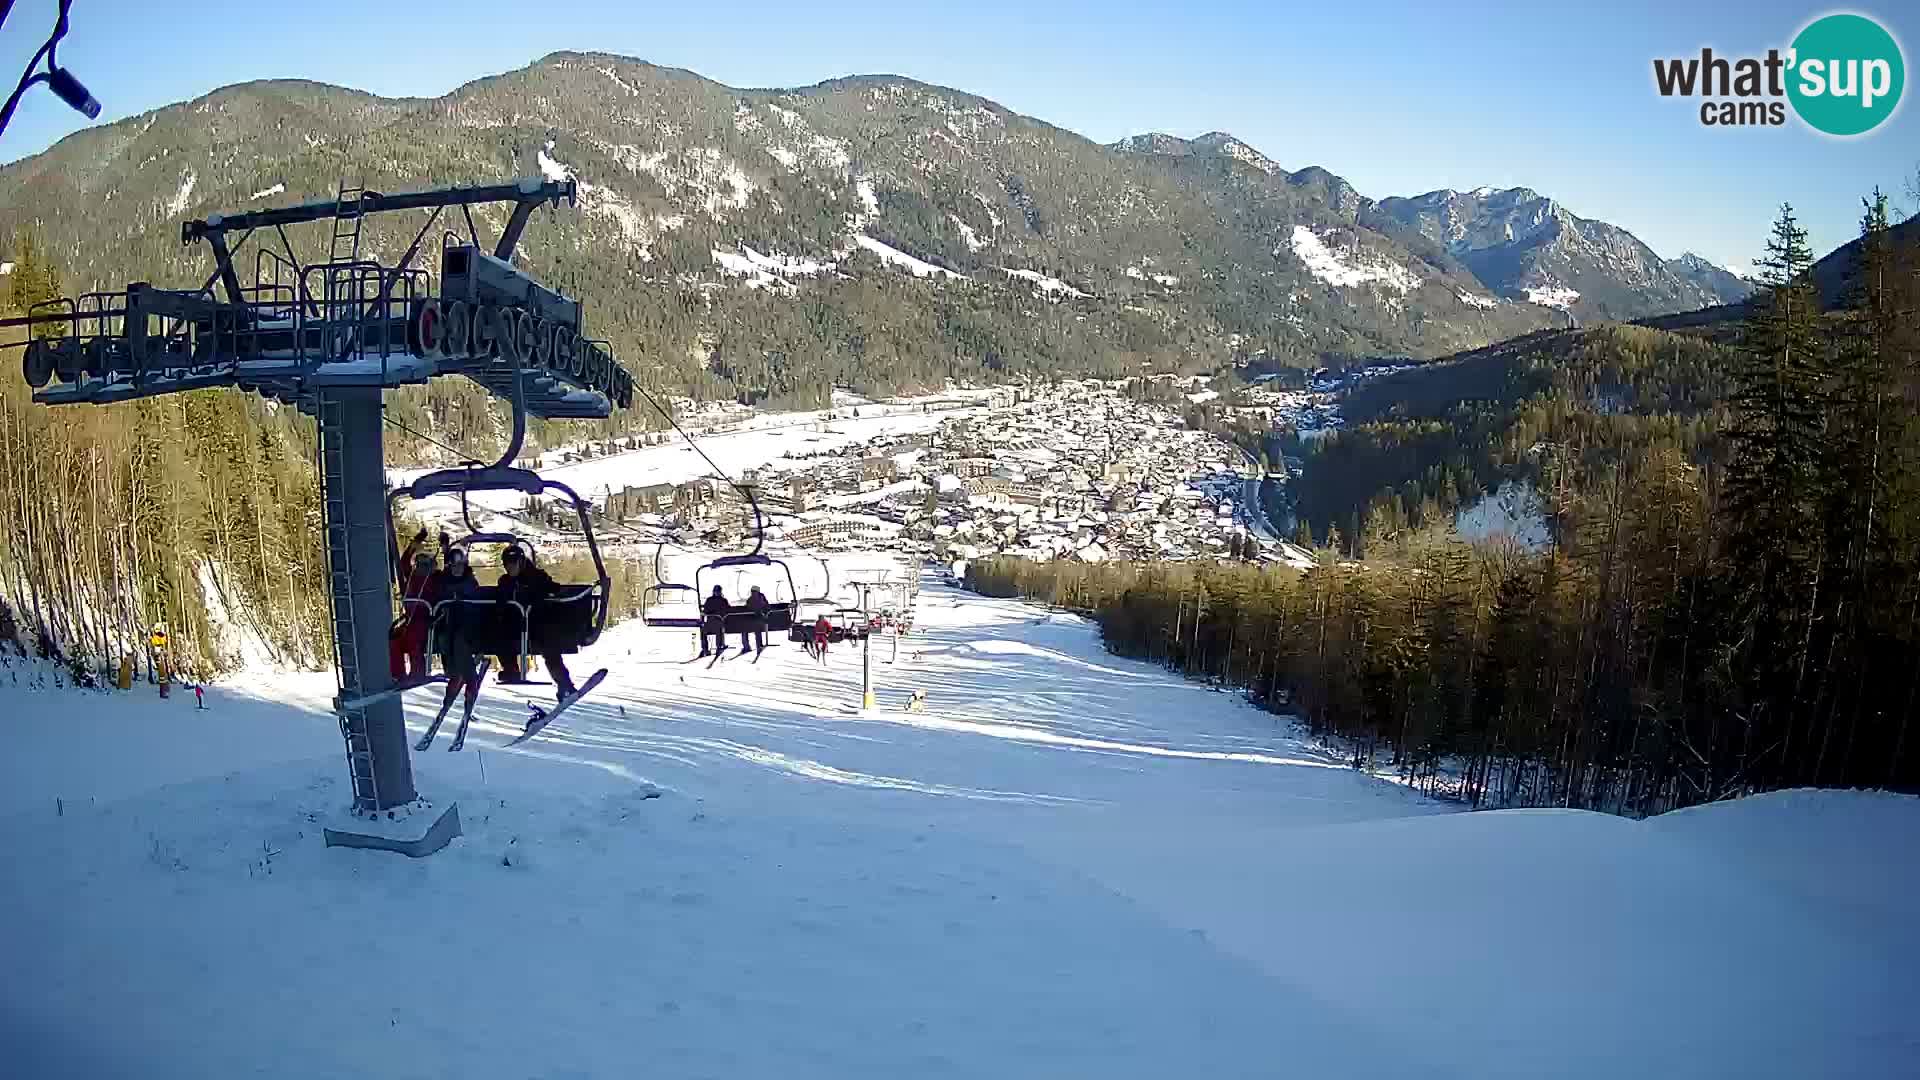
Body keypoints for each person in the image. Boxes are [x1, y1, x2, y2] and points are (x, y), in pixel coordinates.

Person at [495, 545, 577, 701]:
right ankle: (511, 670)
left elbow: (552, 589)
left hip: (537, 625)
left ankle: (564, 683)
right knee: (500, 635)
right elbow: (501, 603)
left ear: (520, 562)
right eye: (507, 564)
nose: (510, 568)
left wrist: (547, 595)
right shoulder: (505, 582)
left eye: (513, 564)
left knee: (549, 646)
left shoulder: (537, 577)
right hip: (516, 626)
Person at [429, 545, 487, 721]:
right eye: (454, 566)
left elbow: (476, 603)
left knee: (460, 646)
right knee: (449, 646)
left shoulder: (470, 582)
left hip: (468, 628)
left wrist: (460, 601)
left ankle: (468, 688)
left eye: (460, 566)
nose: (457, 569)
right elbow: (437, 599)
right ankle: (459, 685)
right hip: (448, 626)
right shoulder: (442, 582)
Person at [389, 527, 437, 679]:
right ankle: (398, 674)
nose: (421, 569)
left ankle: (417, 672)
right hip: (411, 618)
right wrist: (417, 541)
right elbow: (404, 561)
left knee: (412, 636)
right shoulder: (411, 577)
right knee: (395, 637)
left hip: (427, 618)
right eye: (419, 565)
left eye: (425, 565)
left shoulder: (435, 579)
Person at [700, 584, 730, 657]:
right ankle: (706, 648)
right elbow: (728, 610)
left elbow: (728, 610)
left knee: (714, 629)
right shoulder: (714, 600)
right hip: (714, 622)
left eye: (718, 591)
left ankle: (716, 647)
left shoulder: (721, 600)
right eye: (716, 591)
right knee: (704, 631)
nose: (717, 593)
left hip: (716, 621)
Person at [743, 585, 770, 653]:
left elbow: (747, 609)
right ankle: (759, 645)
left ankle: (746, 646)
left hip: (755, 621)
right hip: (762, 621)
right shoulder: (762, 599)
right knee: (756, 627)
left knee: (745, 628)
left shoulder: (750, 600)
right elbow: (767, 608)